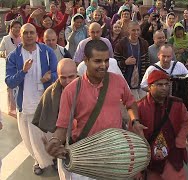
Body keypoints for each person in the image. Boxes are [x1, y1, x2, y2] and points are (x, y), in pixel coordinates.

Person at [43, 40, 145, 179]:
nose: (103, 65)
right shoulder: (71, 90)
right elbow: (62, 126)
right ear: (85, 60)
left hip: (115, 154)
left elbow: (130, 103)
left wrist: (135, 121)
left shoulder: (118, 81)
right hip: (85, 157)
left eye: (106, 60)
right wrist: (55, 141)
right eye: (97, 61)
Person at [5, 23, 58, 175]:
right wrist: (23, 72)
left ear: (36, 35)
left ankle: (53, 158)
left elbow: (57, 73)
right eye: (25, 33)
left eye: (31, 32)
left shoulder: (46, 52)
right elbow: (9, 81)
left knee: (49, 135)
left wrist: (50, 77)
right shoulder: (14, 56)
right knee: (31, 140)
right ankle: (39, 162)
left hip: (46, 102)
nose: (29, 35)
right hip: (26, 105)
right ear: (20, 36)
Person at [134, 70, 188, 180]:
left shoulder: (177, 103)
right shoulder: (140, 107)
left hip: (173, 157)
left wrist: (180, 142)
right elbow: (134, 140)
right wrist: (137, 169)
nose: (164, 88)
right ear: (150, 87)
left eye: (166, 84)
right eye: (160, 84)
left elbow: (186, 121)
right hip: (150, 161)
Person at [114, 21, 150, 100]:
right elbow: (114, 64)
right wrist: (125, 62)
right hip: (126, 81)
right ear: (128, 30)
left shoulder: (144, 43)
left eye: (138, 30)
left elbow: (147, 61)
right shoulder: (121, 44)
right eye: (133, 30)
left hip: (141, 81)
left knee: (143, 104)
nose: (136, 32)